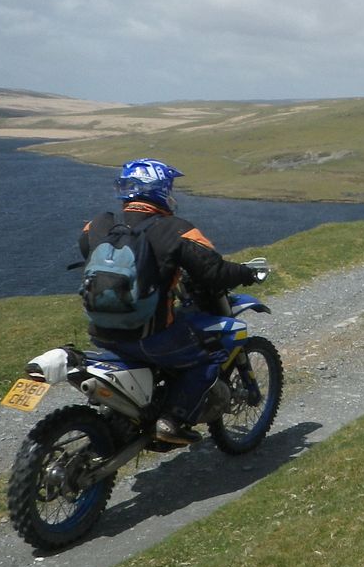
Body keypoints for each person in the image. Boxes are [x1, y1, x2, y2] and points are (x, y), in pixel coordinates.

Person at [78, 158, 264, 447]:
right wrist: (247, 272)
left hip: (102, 334)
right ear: (161, 189)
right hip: (149, 337)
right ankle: (172, 420)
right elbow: (213, 272)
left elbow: (85, 248)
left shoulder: (99, 226)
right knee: (210, 354)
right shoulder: (176, 229)